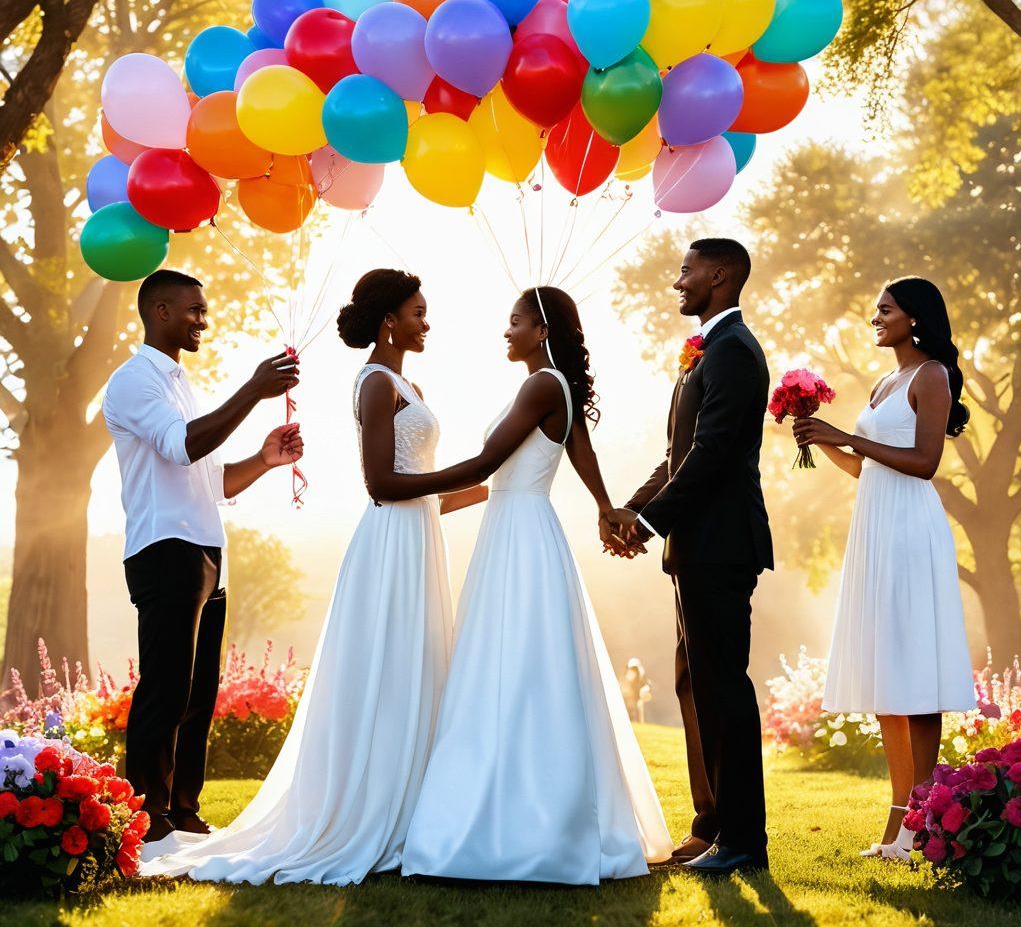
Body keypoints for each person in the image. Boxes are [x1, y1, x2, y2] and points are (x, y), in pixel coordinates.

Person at [141, 269, 479, 886]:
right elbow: (382, 486)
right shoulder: (376, 383)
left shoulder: (411, 380)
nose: (426, 322)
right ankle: (366, 812)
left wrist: (487, 488)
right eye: (418, 312)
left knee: (423, 666)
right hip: (389, 546)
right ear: (389, 321)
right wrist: (474, 468)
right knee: (388, 670)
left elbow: (424, 488)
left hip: (422, 541)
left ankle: (418, 809)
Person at [369, 285, 672, 884]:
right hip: (520, 527)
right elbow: (578, 444)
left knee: (514, 666)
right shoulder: (551, 383)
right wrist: (606, 507)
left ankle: (518, 822)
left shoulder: (540, 385)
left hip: (519, 530)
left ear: (542, 331)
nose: (505, 332)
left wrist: (404, 486)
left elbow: (487, 463)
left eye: (515, 322)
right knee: (522, 666)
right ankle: (521, 811)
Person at [102, 269, 303, 851]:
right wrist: (252, 389)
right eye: (195, 309)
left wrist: (265, 459)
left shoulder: (181, 385)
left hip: (205, 549)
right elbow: (182, 444)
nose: (203, 319)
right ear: (160, 311)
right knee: (166, 685)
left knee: (199, 690)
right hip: (163, 549)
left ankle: (184, 808)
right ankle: (148, 817)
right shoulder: (133, 381)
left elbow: (213, 479)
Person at [606, 237, 773, 876]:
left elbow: (714, 455)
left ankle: (743, 842)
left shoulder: (734, 352)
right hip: (694, 546)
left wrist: (647, 523)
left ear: (721, 275)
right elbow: (678, 455)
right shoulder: (709, 351)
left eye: (688, 270)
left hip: (721, 545)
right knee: (697, 685)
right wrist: (632, 510)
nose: (679, 281)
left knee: (725, 689)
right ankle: (713, 828)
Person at [792, 276, 974, 861]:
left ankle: (923, 820)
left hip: (911, 532)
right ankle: (899, 822)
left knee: (915, 676)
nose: (876, 317)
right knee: (886, 681)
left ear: (914, 318)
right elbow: (865, 469)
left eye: (886, 310)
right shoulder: (882, 382)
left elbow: (923, 463)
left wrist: (850, 437)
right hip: (873, 530)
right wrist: (823, 440)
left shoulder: (932, 377)